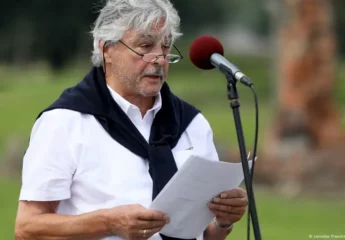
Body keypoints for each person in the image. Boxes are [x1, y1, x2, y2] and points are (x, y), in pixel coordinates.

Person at [14, 0, 248, 240]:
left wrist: (223, 222)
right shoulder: (65, 122)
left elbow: (200, 234)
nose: (158, 59)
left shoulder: (192, 124)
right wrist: (108, 222)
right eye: (145, 46)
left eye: (166, 47)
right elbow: (27, 228)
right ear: (106, 49)